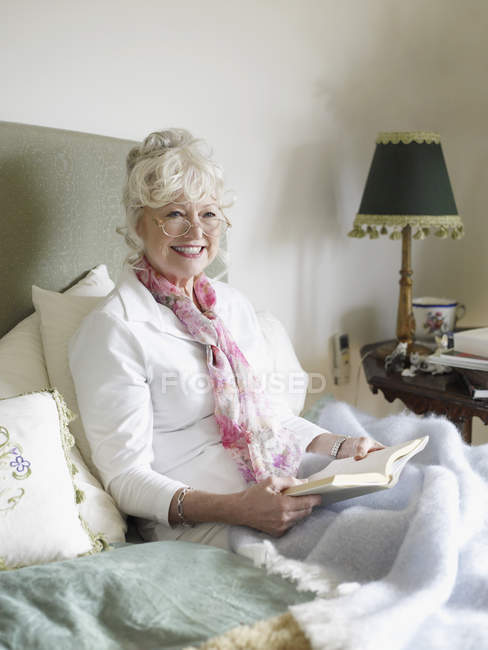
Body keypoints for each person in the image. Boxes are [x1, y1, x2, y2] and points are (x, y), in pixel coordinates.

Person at [69, 129, 383, 549]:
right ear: (138, 223)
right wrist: (239, 507)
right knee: (373, 542)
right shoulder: (113, 330)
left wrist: (343, 448)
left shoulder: (230, 306)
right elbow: (126, 479)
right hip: (205, 518)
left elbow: (271, 416)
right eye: (175, 214)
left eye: (209, 214)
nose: (195, 230)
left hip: (283, 482)